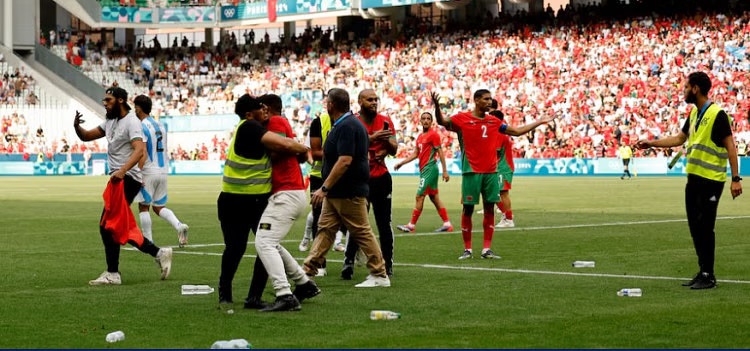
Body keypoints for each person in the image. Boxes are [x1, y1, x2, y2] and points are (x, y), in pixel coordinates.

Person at [635, 71, 742, 290]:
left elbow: (731, 145)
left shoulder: (717, 114)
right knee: (695, 227)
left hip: (712, 180)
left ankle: (708, 275)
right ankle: (702, 270)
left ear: (695, 88)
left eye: (686, 87)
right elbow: (680, 138)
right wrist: (651, 143)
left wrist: (736, 178)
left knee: (705, 227)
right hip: (693, 180)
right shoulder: (694, 114)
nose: (683, 91)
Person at [431, 89, 556, 260]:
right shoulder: (462, 119)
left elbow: (517, 131)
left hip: (491, 172)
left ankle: (486, 249)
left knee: (490, 209)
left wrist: (539, 122)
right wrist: (437, 107)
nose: (490, 102)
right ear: (476, 100)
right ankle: (467, 249)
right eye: (486, 99)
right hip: (471, 172)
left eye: (491, 99)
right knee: (467, 210)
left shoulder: (494, 122)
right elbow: (442, 121)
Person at [217, 94, 308, 312]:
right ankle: (228, 293)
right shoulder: (250, 127)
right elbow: (285, 144)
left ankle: (250, 297)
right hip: (237, 201)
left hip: (252, 200)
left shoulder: (252, 127)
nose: (264, 110)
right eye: (260, 108)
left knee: (261, 246)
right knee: (240, 248)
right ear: (249, 114)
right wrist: (303, 149)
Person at [73, 86, 172, 285]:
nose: (105, 104)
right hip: (119, 179)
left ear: (120, 100)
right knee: (113, 227)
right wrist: (77, 126)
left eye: (108, 100)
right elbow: (86, 136)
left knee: (107, 226)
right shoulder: (110, 122)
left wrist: (123, 170)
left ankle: (114, 273)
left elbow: (139, 150)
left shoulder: (132, 122)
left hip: (127, 179)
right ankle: (159, 253)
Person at [303, 88, 390, 288]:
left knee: (361, 231)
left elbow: (345, 160)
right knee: (325, 230)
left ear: (331, 104)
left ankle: (380, 274)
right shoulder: (349, 124)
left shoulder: (346, 126)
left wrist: (324, 188)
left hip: (347, 190)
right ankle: (308, 271)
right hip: (339, 192)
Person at [254, 94, 320, 312]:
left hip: (286, 193)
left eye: (260, 107)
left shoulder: (275, 122)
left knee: (264, 243)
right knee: (270, 242)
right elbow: (297, 153)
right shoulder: (281, 123)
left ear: (267, 108)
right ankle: (304, 283)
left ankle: (284, 294)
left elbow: (280, 149)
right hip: (288, 191)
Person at [341, 89, 398, 280]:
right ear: (359, 101)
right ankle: (348, 262)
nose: (374, 102)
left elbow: (394, 149)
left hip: (381, 178)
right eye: (369, 99)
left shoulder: (385, 121)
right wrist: (373, 138)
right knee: (358, 223)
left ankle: (387, 264)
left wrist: (387, 145)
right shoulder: (353, 122)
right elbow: (351, 149)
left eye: (376, 99)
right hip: (359, 178)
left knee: (384, 223)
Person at [132, 95, 190, 247]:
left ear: (139, 108)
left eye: (135, 106)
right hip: (163, 170)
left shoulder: (141, 126)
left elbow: (143, 151)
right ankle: (179, 225)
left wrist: (138, 173)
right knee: (158, 207)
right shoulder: (161, 125)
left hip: (149, 171)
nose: (134, 109)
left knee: (143, 206)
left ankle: (148, 242)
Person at [394, 111, 453, 233]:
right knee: (434, 197)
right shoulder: (420, 137)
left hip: (430, 169)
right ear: (420, 121)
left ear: (431, 121)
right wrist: (401, 163)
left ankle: (411, 225)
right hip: (424, 170)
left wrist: (445, 171)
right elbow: (416, 154)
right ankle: (447, 224)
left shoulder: (434, 135)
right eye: (423, 118)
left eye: (428, 119)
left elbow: (440, 152)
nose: (426, 120)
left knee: (419, 196)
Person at [489, 110, 516, 229]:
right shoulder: (499, 132)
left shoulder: (499, 133)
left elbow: (495, 151)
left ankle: (509, 219)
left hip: (503, 167)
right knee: (493, 193)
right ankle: (507, 216)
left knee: (503, 193)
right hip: (499, 167)